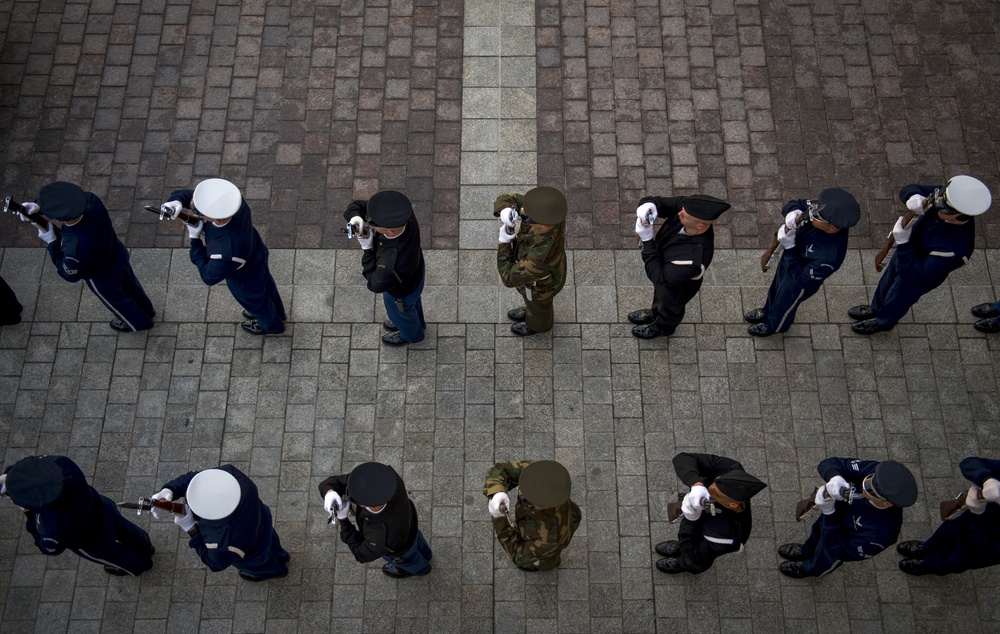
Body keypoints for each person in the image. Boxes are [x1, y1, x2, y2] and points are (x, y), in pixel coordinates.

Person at [849, 175, 991, 335]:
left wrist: (903, 243)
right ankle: (876, 308)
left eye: (944, 207)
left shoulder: (956, 248)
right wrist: (913, 196)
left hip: (916, 275)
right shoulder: (946, 197)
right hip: (905, 254)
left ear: (961, 216)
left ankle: (883, 322)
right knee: (886, 283)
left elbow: (916, 275)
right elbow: (910, 189)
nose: (937, 206)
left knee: (898, 300)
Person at [22, 181, 155, 332]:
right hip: (117, 254)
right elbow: (72, 198)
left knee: (117, 301)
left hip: (101, 276)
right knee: (131, 285)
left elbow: (69, 274)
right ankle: (147, 309)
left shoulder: (74, 247)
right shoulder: (93, 201)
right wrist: (39, 206)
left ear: (61, 218)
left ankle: (138, 323)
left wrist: (52, 242)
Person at [161, 178, 286, 335]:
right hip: (257, 254)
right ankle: (278, 313)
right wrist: (177, 199)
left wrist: (195, 240)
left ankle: (272, 326)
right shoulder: (235, 203)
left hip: (244, 278)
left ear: (217, 219)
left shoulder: (226, 252)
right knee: (267, 287)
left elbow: (208, 276)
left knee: (255, 302)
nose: (197, 212)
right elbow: (201, 197)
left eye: (201, 213)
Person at [1, 455, 154, 576]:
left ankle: (141, 565)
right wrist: (14, 477)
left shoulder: (50, 528)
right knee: (124, 528)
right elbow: (37, 464)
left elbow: (49, 549)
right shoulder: (62, 464)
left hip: (91, 539)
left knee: (114, 555)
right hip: (102, 507)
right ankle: (146, 546)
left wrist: (29, 516)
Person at [745, 188, 861, 337]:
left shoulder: (829, 256)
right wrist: (792, 212)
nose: (811, 215)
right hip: (790, 260)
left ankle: (775, 325)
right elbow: (798, 204)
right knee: (776, 287)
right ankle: (767, 310)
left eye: (816, 217)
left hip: (798, 278)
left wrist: (790, 247)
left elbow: (802, 280)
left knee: (786, 302)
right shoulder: (822, 210)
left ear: (832, 228)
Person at [778, 457, 917, 578]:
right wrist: (835, 476)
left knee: (824, 559)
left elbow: (841, 551)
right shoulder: (876, 471)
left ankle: (808, 569)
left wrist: (829, 514)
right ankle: (806, 551)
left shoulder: (882, 533)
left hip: (838, 538)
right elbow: (830, 463)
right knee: (817, 532)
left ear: (887, 503)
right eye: (868, 480)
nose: (864, 487)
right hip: (831, 517)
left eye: (870, 490)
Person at [151, 465, 289, 581]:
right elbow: (198, 479)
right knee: (273, 542)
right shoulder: (235, 477)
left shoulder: (223, 543)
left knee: (260, 566)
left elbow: (214, 563)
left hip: (252, 554)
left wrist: (191, 528)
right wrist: (170, 489)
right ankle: (282, 556)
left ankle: (277, 572)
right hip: (263, 522)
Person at [628, 193, 731, 339]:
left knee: (670, 309)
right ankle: (655, 313)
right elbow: (661, 203)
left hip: (678, 287)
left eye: (684, 215)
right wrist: (649, 205)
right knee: (659, 296)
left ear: (700, 225)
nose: (679, 213)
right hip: (668, 271)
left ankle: (662, 328)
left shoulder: (694, 260)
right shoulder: (687, 210)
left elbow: (659, 277)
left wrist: (647, 240)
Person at [654, 452, 767, 574]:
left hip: (705, 544)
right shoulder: (730, 469)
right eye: (715, 482)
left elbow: (693, 553)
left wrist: (691, 519)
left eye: (716, 493)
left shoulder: (725, 536)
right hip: (706, 519)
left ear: (733, 505)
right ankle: (679, 547)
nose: (709, 489)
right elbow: (682, 458)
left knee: (694, 562)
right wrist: (696, 484)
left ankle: (681, 564)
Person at [318, 462, 432, 578]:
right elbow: (349, 481)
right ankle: (427, 555)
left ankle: (422, 570)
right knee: (419, 543)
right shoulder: (388, 477)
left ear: (367, 505)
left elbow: (361, 554)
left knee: (410, 561)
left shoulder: (381, 537)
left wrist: (343, 520)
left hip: (400, 550)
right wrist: (329, 491)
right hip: (411, 524)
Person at [343, 191, 425, 346]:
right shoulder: (403, 214)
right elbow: (359, 206)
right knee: (412, 306)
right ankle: (416, 322)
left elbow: (375, 284)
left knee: (401, 314)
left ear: (390, 231)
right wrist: (355, 217)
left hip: (400, 292)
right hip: (417, 272)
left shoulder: (391, 264)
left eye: (373, 224)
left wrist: (367, 249)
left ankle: (411, 335)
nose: (369, 223)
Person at [897, 456, 1000, 575]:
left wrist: (978, 515)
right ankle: (927, 548)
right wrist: (986, 479)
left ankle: (927, 565)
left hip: (982, 542)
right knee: (946, 533)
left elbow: (981, 545)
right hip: (969, 519)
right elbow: (969, 463)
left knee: (953, 560)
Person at [493, 187, 568, 336]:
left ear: (544, 226)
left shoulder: (539, 257)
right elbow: (514, 199)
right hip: (549, 271)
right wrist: (505, 209)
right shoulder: (550, 215)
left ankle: (537, 325)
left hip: (541, 287)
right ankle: (530, 311)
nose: (523, 215)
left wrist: (504, 243)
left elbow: (508, 277)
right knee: (532, 304)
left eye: (527, 218)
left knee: (539, 307)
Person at [482, 460, 581, 571]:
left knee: (548, 560)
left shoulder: (548, 539)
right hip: (567, 518)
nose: (523, 492)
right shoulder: (538, 474)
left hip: (550, 543)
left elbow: (517, 555)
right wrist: (497, 491)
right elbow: (502, 469)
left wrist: (499, 519)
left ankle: (548, 565)